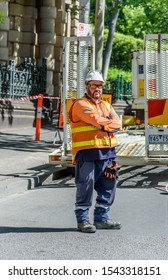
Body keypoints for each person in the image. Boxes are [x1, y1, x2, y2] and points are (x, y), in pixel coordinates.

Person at [69, 70, 122, 233]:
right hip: (88, 153)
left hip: (108, 153)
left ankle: (101, 219)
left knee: (108, 186)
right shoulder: (80, 105)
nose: (97, 88)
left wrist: (103, 124)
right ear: (87, 86)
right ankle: (83, 221)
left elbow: (117, 124)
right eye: (93, 85)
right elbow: (96, 120)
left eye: (100, 86)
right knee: (86, 186)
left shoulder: (106, 105)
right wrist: (104, 123)